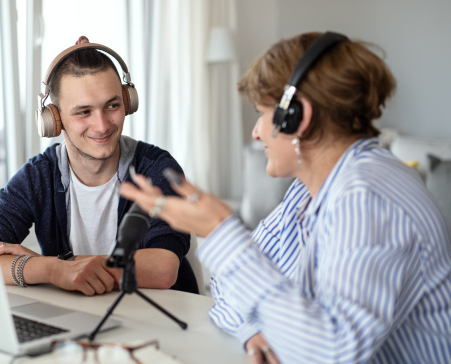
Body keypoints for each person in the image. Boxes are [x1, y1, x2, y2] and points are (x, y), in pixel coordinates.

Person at [120, 31, 451, 363]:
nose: (256, 132)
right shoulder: (308, 190)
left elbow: (331, 354)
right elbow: (225, 287)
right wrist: (256, 331)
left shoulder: (368, 196)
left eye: (261, 114)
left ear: (297, 116)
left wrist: (221, 230)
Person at [0, 36, 198, 296]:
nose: (102, 126)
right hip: (79, 317)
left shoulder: (156, 168)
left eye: (112, 105)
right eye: (83, 112)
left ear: (127, 102)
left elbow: (163, 268)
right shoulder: (38, 176)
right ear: (54, 119)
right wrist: (53, 270)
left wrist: (55, 266)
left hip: (160, 318)